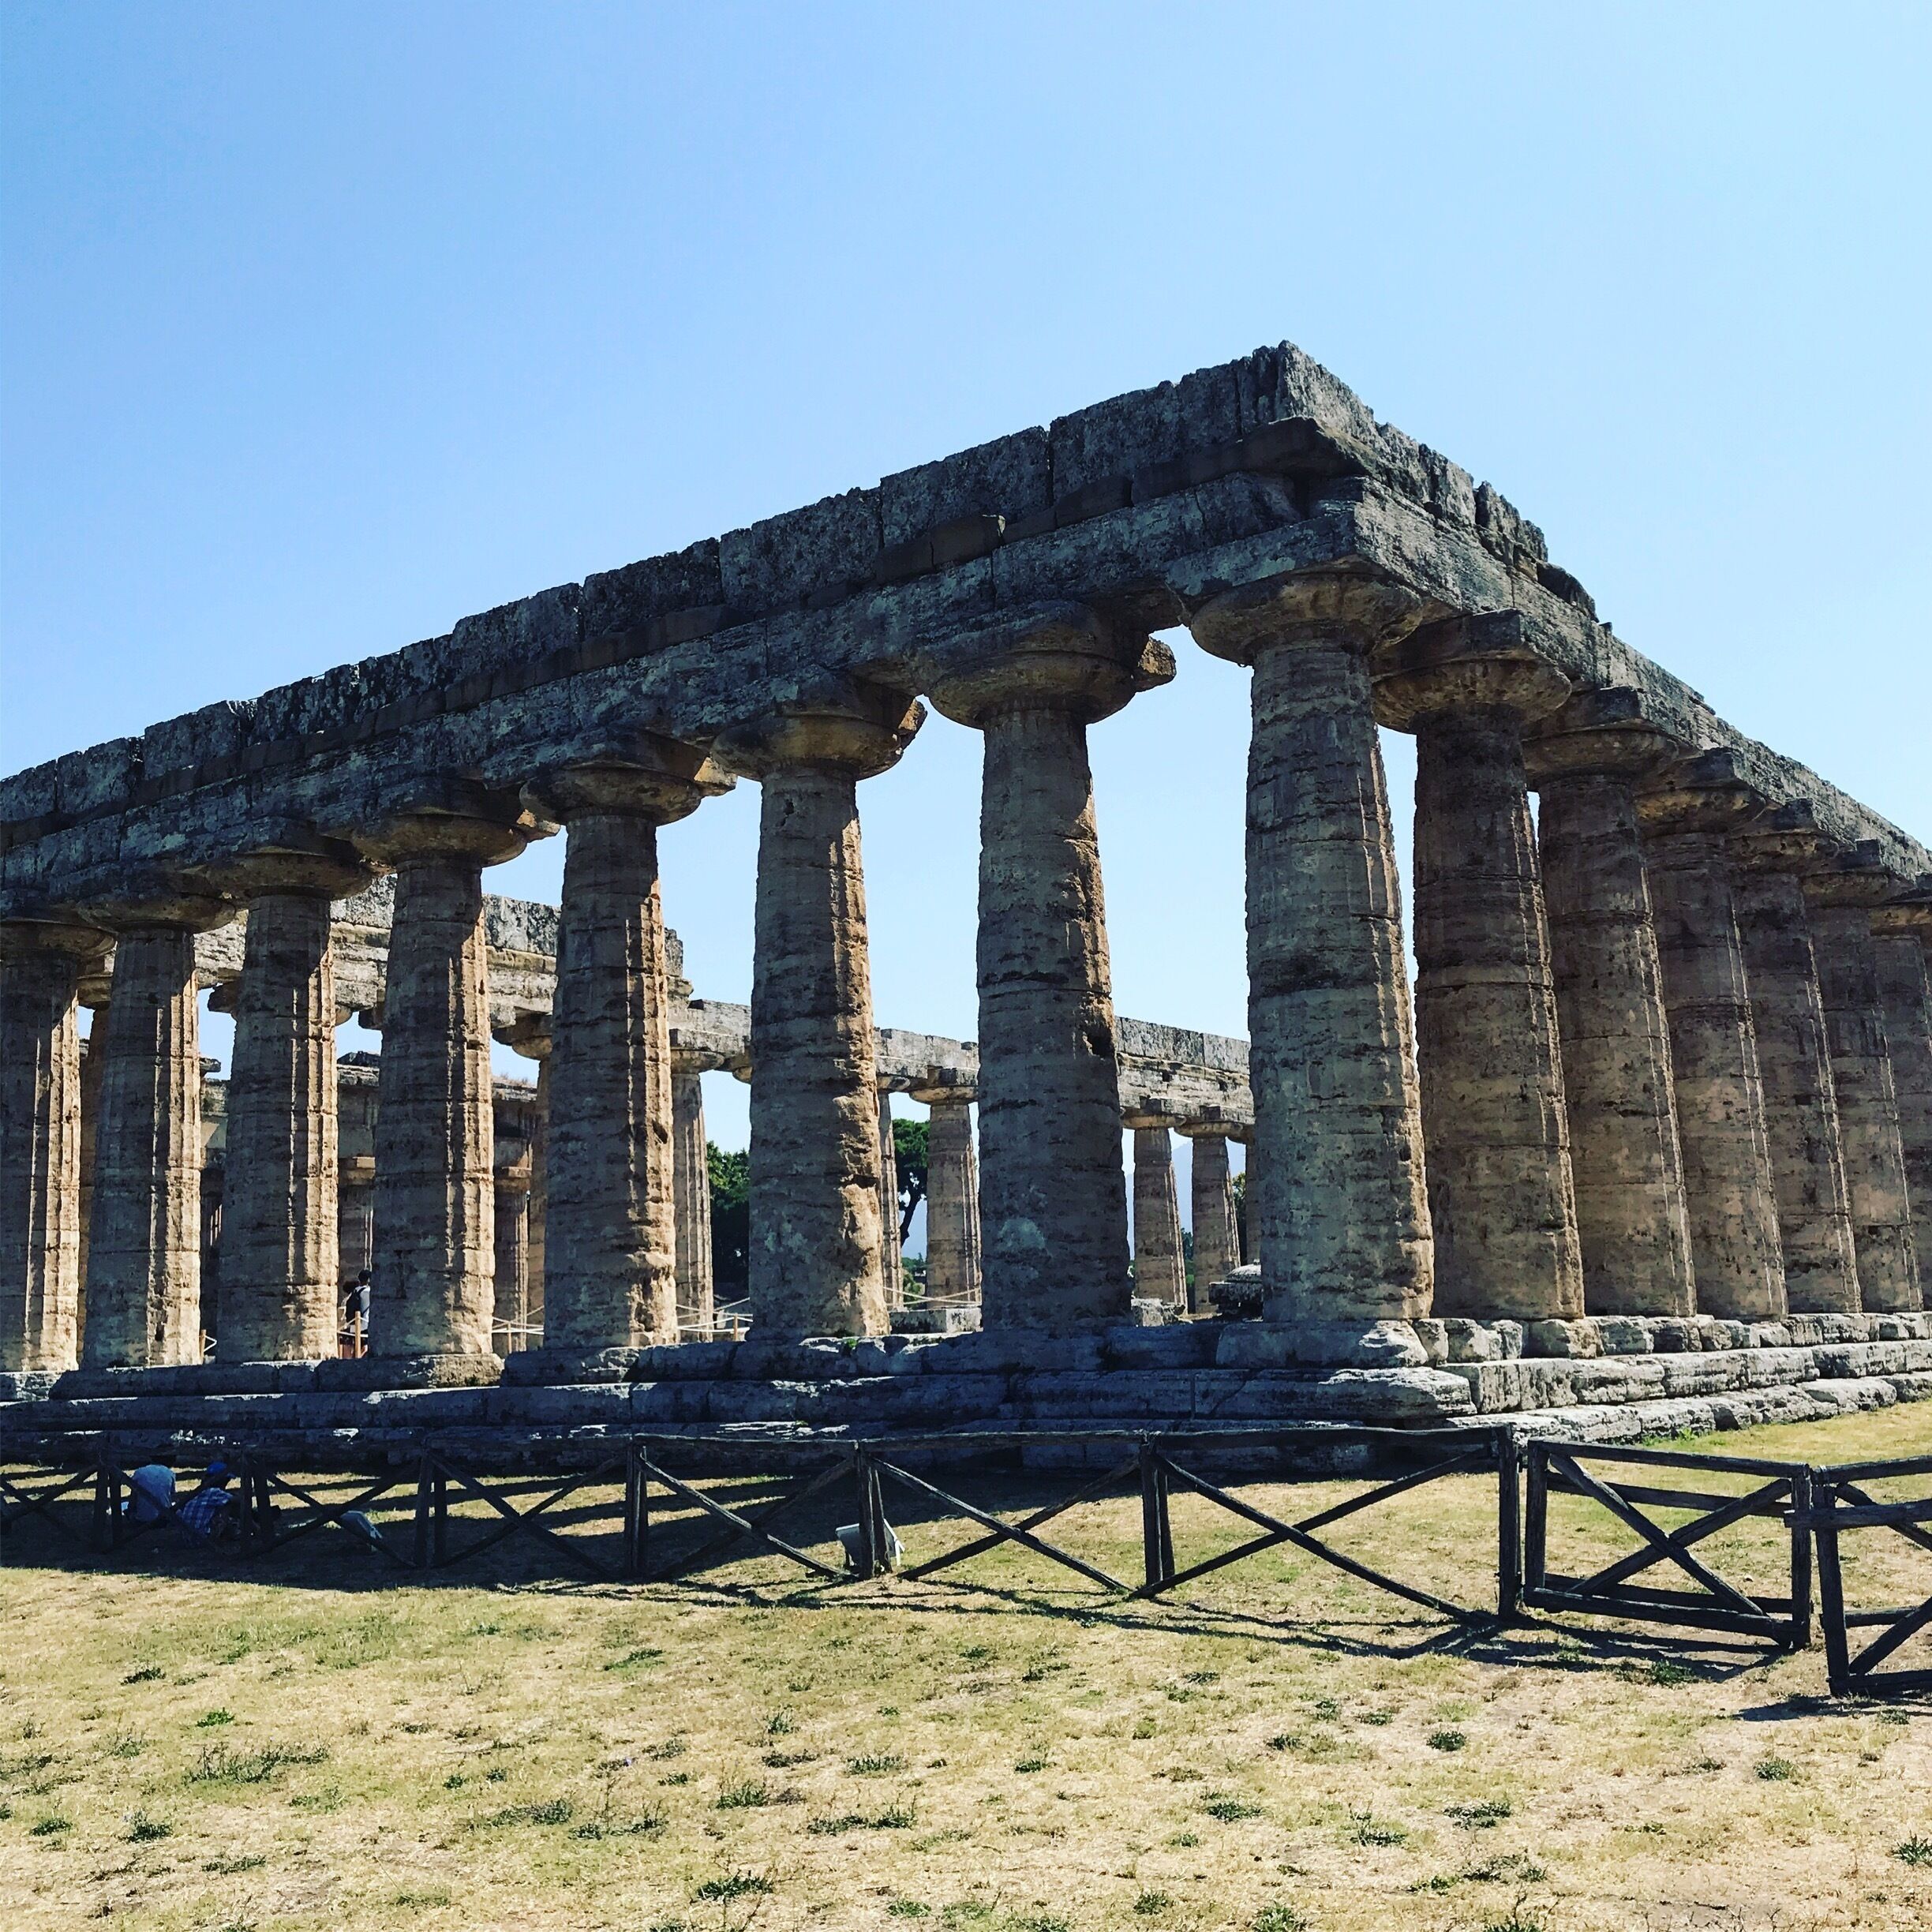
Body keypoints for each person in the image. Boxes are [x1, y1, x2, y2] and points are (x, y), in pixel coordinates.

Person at [178, 1462, 238, 1541]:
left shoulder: (198, 1493)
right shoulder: (215, 1492)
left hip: (188, 1538)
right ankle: (254, 1529)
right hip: (204, 1539)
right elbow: (238, 1501)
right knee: (229, 1504)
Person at [343, 1270, 372, 1354]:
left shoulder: (355, 1291)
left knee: (349, 1341)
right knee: (365, 1346)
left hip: (355, 1324)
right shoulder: (370, 1292)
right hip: (367, 1323)